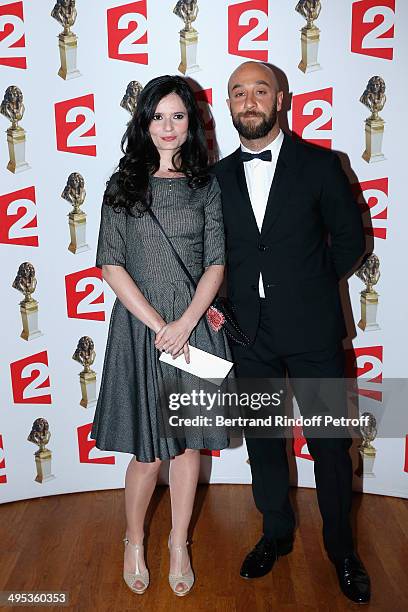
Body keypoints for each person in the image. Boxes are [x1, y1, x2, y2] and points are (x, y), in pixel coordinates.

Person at [211, 61, 371, 604]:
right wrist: (219, 310)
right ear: (227, 105)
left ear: (281, 99)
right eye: (239, 93)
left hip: (313, 330)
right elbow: (210, 255)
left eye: (260, 91)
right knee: (264, 442)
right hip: (248, 334)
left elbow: (352, 241)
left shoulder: (322, 166)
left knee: (329, 444)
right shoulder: (215, 178)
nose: (249, 101)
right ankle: (274, 534)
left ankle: (342, 550)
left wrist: (308, 287)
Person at [90, 75, 232, 597]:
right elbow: (111, 264)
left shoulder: (206, 185)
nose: (167, 127)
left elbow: (216, 261)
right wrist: (160, 327)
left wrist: (187, 322)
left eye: (178, 116)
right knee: (148, 454)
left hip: (194, 329)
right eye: (157, 116)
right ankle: (133, 540)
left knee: (188, 448)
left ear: (191, 122)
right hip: (140, 331)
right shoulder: (122, 184)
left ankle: (177, 544)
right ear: (143, 122)